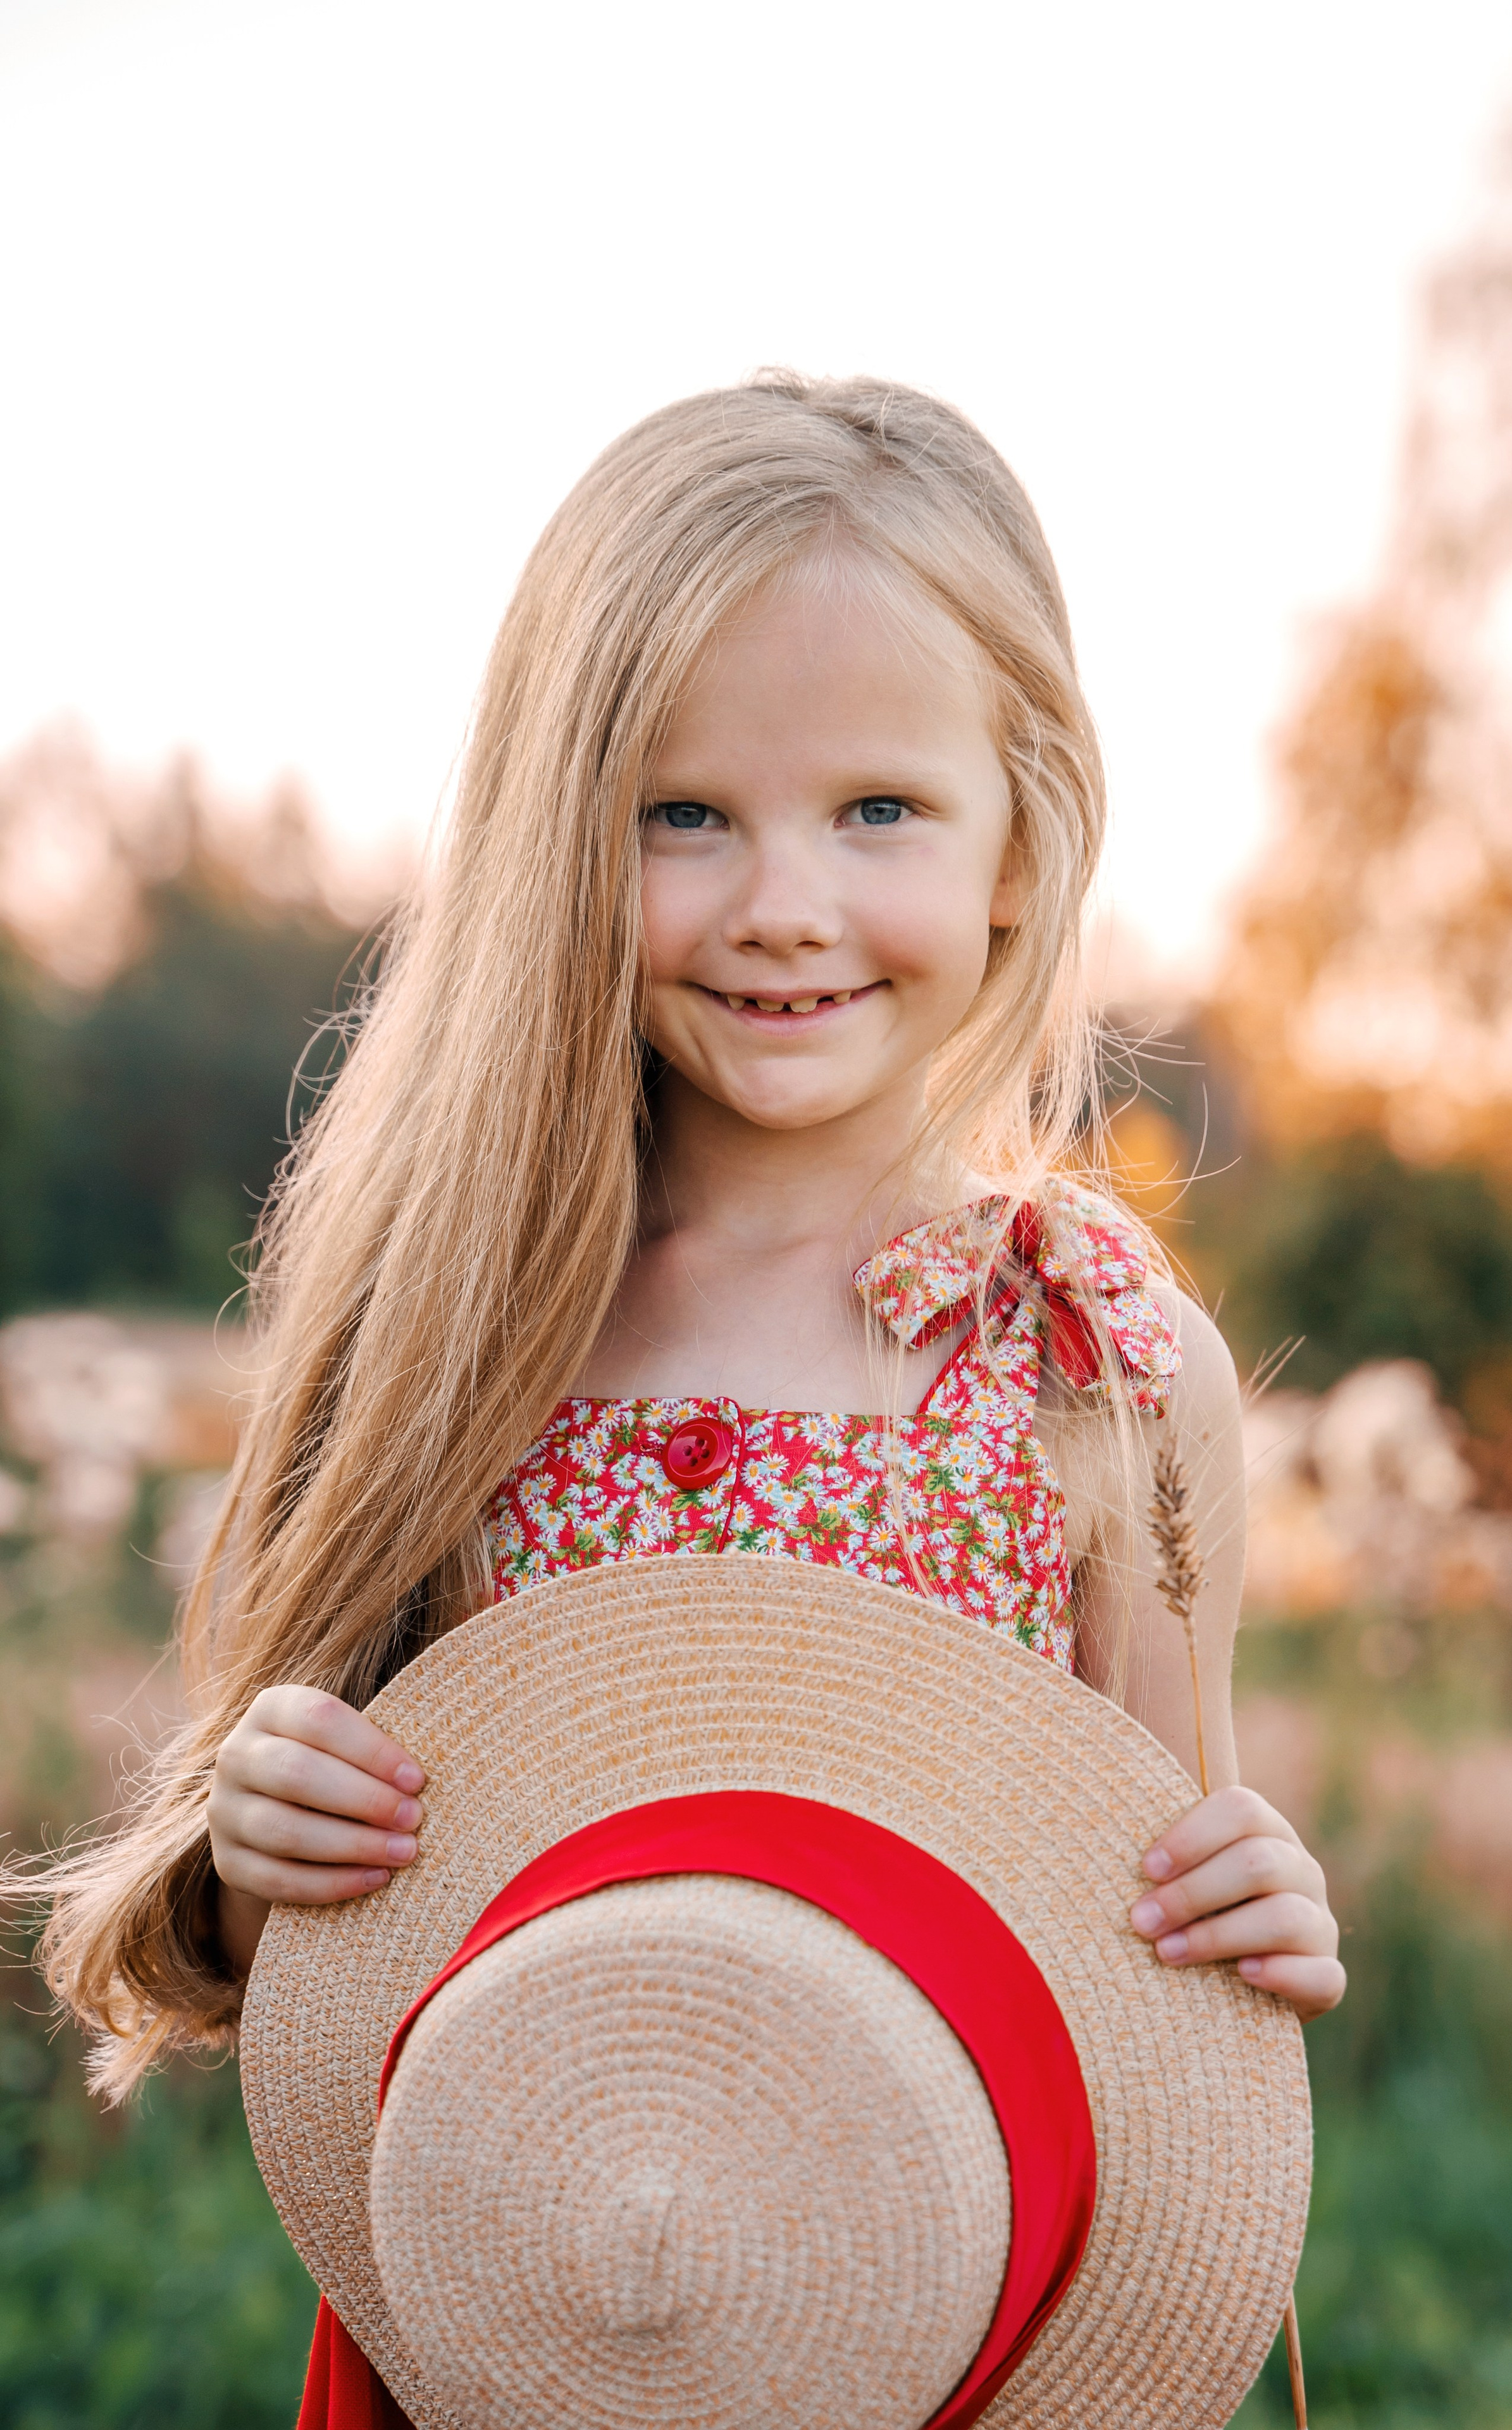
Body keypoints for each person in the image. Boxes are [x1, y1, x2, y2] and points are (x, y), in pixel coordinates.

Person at [41, 373, 1343, 2111]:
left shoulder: (1097, 1363)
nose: (781, 906)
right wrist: (270, 1844)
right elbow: (311, 1978)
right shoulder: (466, 1322)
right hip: (523, 2269)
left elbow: (1163, 1938)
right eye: (686, 815)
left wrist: (1254, 1919)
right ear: (561, 839)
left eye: (878, 809)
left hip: (943, 2290)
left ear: (1020, 842)